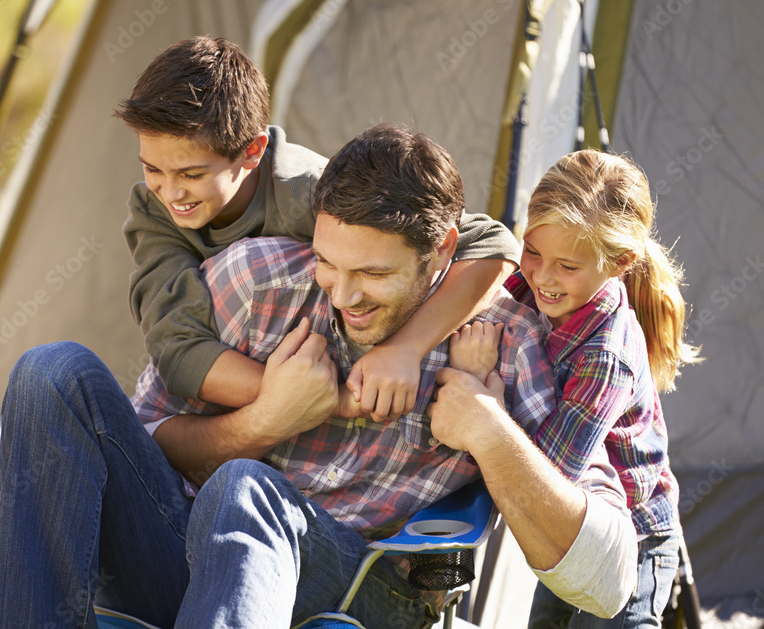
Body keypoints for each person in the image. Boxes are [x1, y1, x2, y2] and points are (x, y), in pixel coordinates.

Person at [0, 126, 636, 629]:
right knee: (49, 372)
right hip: (180, 559)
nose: (341, 295)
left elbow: (605, 584)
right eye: (328, 262)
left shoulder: (504, 348)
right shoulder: (256, 282)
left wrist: (486, 424)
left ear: (441, 253)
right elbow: (145, 445)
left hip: (354, 591)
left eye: (373, 274)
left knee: (245, 489)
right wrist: (264, 419)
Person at [116, 35, 521, 423]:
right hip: (243, 400)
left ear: (252, 152)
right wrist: (323, 400)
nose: (170, 191)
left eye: (190, 173)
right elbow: (177, 349)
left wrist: (405, 349)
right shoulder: (152, 213)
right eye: (152, 168)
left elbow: (491, 242)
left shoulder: (310, 192)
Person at [437, 149, 700, 629]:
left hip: (631, 540)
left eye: (568, 265)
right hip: (572, 525)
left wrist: (483, 394)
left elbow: (548, 477)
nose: (542, 278)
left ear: (618, 265)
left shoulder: (606, 354)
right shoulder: (531, 285)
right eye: (532, 251)